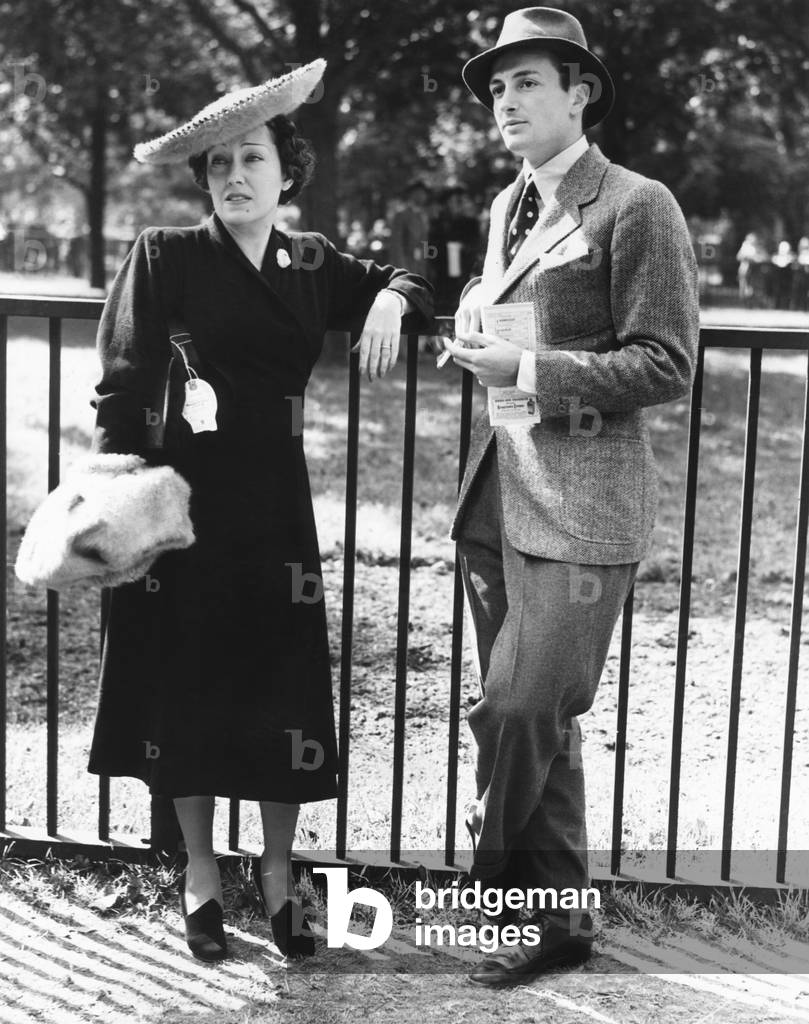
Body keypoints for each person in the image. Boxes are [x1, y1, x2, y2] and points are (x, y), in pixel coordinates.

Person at [86, 60, 432, 962]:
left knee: (279, 688)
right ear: (203, 181)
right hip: (183, 510)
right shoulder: (165, 254)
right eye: (219, 165)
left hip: (276, 512)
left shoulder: (312, 262)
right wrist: (121, 507)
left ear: (288, 170)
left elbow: (407, 276)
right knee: (190, 689)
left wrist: (393, 297)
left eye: (254, 159)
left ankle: (280, 875)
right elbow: (121, 390)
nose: (236, 177)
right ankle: (201, 871)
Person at [442, 8, 699, 985]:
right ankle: (556, 925)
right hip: (497, 497)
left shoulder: (637, 206)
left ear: (578, 89)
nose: (505, 102)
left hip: (584, 513)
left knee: (512, 710)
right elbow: (509, 309)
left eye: (526, 83)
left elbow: (664, 360)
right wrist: (477, 319)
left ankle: (483, 866)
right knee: (541, 719)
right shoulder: (506, 206)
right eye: (496, 87)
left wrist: (531, 364)